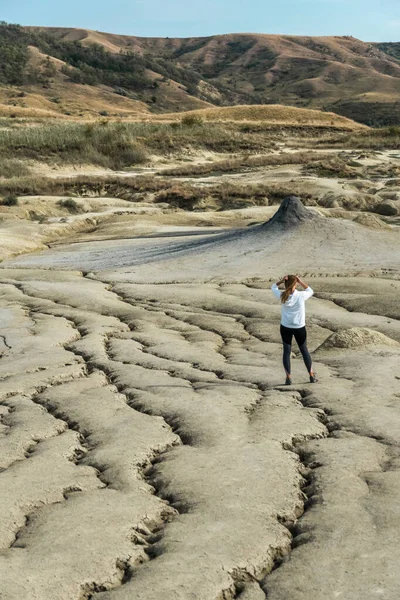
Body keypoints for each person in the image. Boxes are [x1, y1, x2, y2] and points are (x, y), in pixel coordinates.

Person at [271, 274, 317, 385]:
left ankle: (288, 378)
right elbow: (310, 290)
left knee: (286, 352)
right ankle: (311, 376)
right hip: (299, 327)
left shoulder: (282, 295)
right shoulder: (301, 295)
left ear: (286, 284)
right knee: (304, 351)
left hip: (285, 327)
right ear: (295, 284)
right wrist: (300, 281)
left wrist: (281, 281)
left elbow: (273, 287)